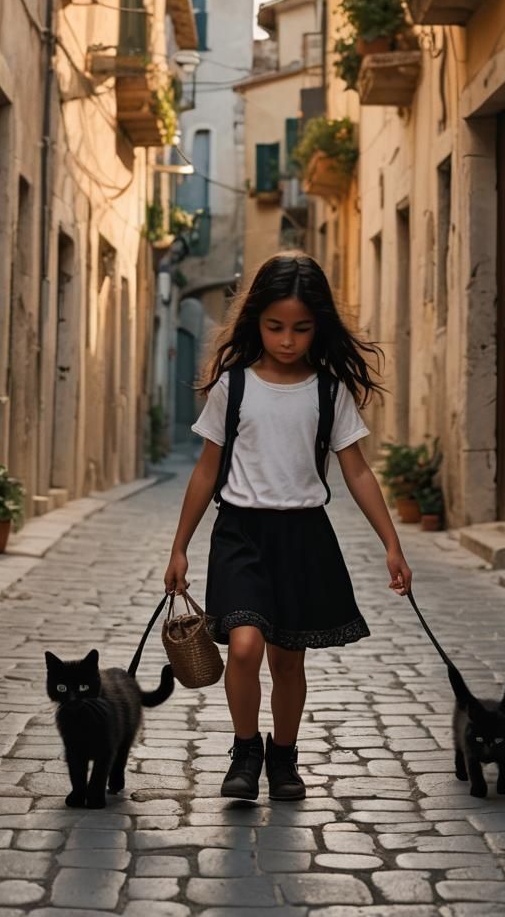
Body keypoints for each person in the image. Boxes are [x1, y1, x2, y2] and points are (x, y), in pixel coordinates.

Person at [163, 251, 413, 801]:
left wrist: (392, 544)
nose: (286, 340)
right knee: (246, 645)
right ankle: (246, 750)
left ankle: (284, 757)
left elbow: (358, 471)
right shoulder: (234, 386)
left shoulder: (329, 391)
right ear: (256, 320)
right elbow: (207, 470)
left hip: (304, 536)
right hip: (240, 534)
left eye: (300, 329)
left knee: (287, 657)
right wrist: (179, 547)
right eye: (275, 326)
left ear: (317, 328)